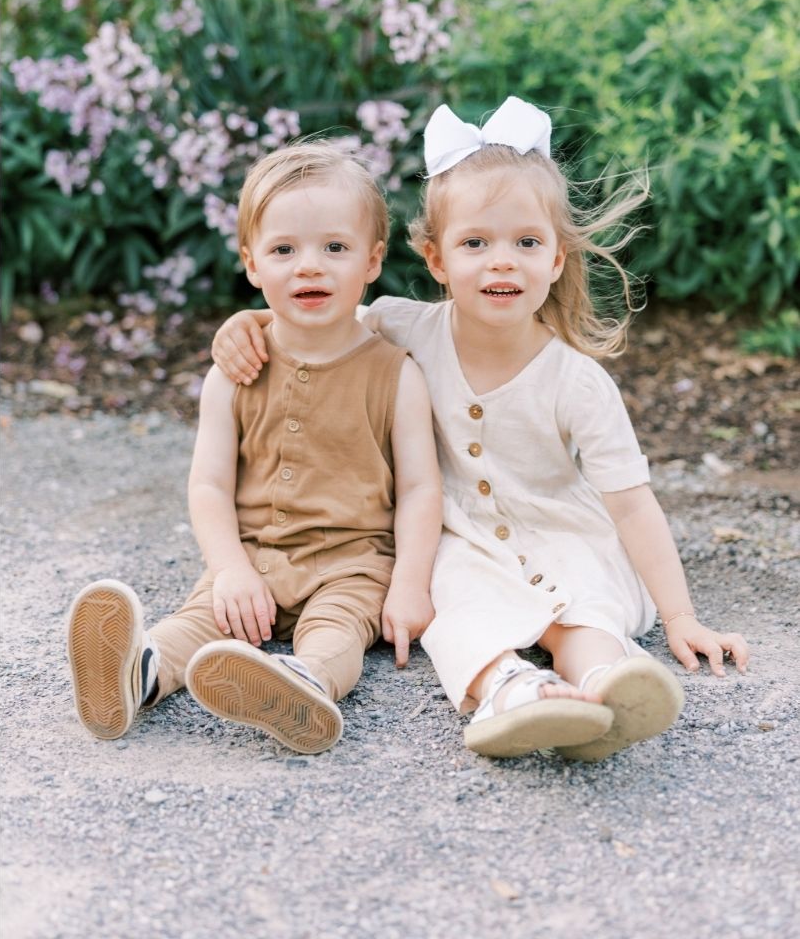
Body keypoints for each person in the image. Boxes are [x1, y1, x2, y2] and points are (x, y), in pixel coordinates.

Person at [212, 98, 751, 759]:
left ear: (556, 259)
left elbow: (633, 505)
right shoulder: (403, 324)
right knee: (457, 610)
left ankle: (610, 686)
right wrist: (248, 326)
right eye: (476, 243)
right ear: (436, 260)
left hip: (563, 530)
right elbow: (318, 321)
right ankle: (511, 692)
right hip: (458, 537)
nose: (503, 262)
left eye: (526, 242)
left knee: (578, 611)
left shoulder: (577, 381)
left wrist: (680, 617)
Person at [65, 143, 442, 754]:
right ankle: (137, 673)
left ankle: (304, 682)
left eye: (335, 248)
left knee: (338, 629)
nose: (309, 267)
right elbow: (209, 485)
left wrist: (409, 583)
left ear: (373, 262)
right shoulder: (235, 370)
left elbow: (423, 488)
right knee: (200, 621)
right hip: (253, 559)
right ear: (251, 263)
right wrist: (231, 568)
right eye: (284, 250)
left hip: (353, 561)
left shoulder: (397, 374)